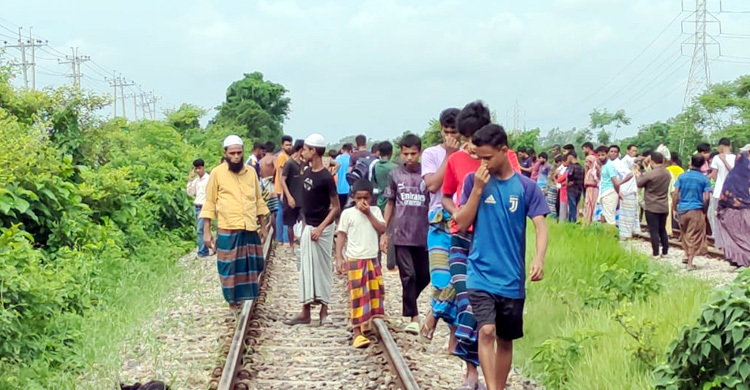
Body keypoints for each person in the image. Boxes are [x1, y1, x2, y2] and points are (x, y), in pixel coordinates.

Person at [454, 124, 548, 390]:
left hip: (511, 278)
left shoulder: (526, 188)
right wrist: (477, 191)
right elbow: (461, 222)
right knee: (486, 331)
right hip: (480, 273)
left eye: (487, 157)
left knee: (505, 340)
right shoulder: (475, 182)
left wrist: (539, 258)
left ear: (503, 151)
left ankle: (497, 385)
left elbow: (540, 226)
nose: (482, 163)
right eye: (478, 158)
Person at [440, 100, 491, 389]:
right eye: (466, 138)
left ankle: (488, 374)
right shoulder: (456, 160)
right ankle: (471, 372)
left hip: (491, 243)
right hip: (461, 238)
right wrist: (455, 212)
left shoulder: (503, 158)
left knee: (486, 313)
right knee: (466, 302)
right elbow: (447, 194)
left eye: (474, 137)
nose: (470, 145)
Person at [199, 135, 269, 309]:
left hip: (249, 227)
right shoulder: (217, 173)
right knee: (229, 268)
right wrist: (206, 231)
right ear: (225, 153)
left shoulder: (251, 172)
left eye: (239, 152)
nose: (236, 156)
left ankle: (247, 298)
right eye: (233, 153)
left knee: (254, 264)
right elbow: (209, 203)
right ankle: (232, 302)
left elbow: (258, 200)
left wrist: (264, 226)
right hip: (227, 228)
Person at [284, 134, 341, 326]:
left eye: (306, 149)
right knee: (306, 271)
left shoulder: (325, 177)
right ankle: (305, 311)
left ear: (314, 151)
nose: (303, 152)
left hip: (320, 230)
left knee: (323, 271)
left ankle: (324, 312)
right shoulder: (307, 172)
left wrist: (321, 228)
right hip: (308, 227)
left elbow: (335, 207)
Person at [420, 107, 462, 344]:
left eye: (454, 133)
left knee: (460, 280)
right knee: (441, 279)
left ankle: (442, 324)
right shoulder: (431, 154)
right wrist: (450, 156)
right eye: (446, 132)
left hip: (463, 222)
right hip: (438, 223)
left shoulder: (471, 155)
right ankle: (436, 315)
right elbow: (433, 185)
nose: (450, 137)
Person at [382, 134, 430, 334]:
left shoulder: (427, 174)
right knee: (408, 275)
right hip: (401, 233)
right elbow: (390, 203)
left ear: (419, 153)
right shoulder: (395, 175)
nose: (409, 158)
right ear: (400, 153)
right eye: (405, 154)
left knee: (425, 275)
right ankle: (413, 317)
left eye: (413, 153)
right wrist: (384, 232)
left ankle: (409, 301)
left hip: (424, 233)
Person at [335, 179, 387, 348]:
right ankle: (357, 331)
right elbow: (341, 235)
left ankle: (368, 323)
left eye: (366, 198)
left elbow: (381, 229)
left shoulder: (376, 211)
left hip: (372, 258)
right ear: (353, 198)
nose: (362, 202)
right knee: (357, 295)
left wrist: (368, 214)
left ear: (371, 198)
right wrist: (339, 258)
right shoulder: (348, 214)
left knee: (374, 292)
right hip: (355, 259)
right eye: (359, 198)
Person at [673, 155, 712, 271]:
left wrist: (674, 208)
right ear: (702, 164)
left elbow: (675, 194)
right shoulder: (704, 179)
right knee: (693, 236)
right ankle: (690, 263)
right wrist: (705, 209)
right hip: (696, 209)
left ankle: (686, 255)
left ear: (691, 163)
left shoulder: (682, 176)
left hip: (682, 209)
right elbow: (706, 197)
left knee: (685, 234)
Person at [716, 146, 750, 268]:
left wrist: (719, 208)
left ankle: (738, 261)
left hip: (732, 211)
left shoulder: (732, 175)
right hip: (748, 211)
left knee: (734, 237)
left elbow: (725, 194)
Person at [635, 152, 671, 258]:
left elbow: (639, 184)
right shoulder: (667, 173)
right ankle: (665, 251)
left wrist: (638, 175)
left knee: (653, 230)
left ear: (652, 161)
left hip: (652, 205)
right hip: (663, 205)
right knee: (662, 229)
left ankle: (655, 253)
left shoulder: (650, 174)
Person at [373, 141, 399, 271]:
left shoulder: (376, 166)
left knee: (378, 231)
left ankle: (377, 261)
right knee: (390, 231)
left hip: (379, 201)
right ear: (391, 152)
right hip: (392, 201)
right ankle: (391, 262)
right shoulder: (395, 167)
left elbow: (375, 183)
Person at [709, 138, 736, 249]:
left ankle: (716, 237)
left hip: (718, 191)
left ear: (721, 146)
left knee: (712, 214)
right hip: (731, 192)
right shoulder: (736, 158)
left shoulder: (717, 157)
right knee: (728, 216)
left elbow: (714, 174)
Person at [279, 140, 305, 254]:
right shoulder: (289, 163)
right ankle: (291, 246)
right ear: (300, 150)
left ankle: (303, 245)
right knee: (290, 223)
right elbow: (282, 180)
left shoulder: (303, 164)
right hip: (291, 198)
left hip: (302, 198)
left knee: (305, 221)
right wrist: (288, 197)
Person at [187, 158, 211, 257]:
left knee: (200, 230)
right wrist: (190, 181)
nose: (198, 171)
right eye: (196, 169)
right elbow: (190, 193)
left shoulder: (209, 179)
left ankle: (203, 251)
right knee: (201, 229)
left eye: (199, 168)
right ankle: (209, 247)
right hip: (197, 206)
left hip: (204, 206)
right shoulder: (196, 180)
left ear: (203, 167)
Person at [615, 144, 639, 240]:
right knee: (626, 213)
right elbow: (633, 160)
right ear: (627, 151)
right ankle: (624, 233)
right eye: (633, 151)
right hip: (626, 190)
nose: (634, 153)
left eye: (636, 151)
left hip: (631, 189)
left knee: (632, 212)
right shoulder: (625, 160)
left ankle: (630, 231)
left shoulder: (631, 163)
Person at [274, 135, 294, 242]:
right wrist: (282, 191)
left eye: (290, 145)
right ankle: (282, 238)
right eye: (287, 145)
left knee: (283, 212)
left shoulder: (287, 156)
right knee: (283, 212)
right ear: (282, 145)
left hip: (285, 189)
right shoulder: (282, 157)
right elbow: (281, 174)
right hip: (281, 189)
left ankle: (282, 238)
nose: (289, 147)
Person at [599, 145, 620, 225]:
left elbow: (615, 181)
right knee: (604, 216)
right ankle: (605, 235)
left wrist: (618, 193)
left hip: (610, 193)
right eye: (599, 155)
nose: (600, 157)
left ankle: (612, 236)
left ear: (607, 154)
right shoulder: (604, 165)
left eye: (602, 155)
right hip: (605, 193)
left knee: (610, 218)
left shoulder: (609, 165)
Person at [583, 144, 602, 224]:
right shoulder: (589, 171)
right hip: (588, 189)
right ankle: (586, 221)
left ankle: (590, 222)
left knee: (591, 205)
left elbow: (598, 179)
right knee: (587, 205)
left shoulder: (594, 170)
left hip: (593, 189)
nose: (586, 163)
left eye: (588, 162)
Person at [565, 151, 584, 223]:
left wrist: (567, 182)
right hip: (579, 189)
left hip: (572, 189)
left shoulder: (572, 167)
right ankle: (573, 220)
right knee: (575, 206)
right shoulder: (581, 167)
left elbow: (570, 175)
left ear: (570, 156)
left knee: (572, 207)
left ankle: (572, 221)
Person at [545, 155, 563, 220]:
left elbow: (552, 177)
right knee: (552, 202)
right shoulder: (558, 169)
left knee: (552, 202)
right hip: (554, 186)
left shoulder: (556, 169)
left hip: (553, 186)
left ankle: (553, 215)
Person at [335, 143, 353, 209]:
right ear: (350, 151)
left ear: (342, 150)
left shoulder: (337, 159)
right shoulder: (351, 159)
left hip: (339, 188)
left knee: (339, 208)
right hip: (349, 189)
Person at [556, 156, 569, 222]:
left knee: (563, 207)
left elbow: (559, 179)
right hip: (564, 190)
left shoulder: (567, 170)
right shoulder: (566, 169)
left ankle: (562, 222)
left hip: (565, 191)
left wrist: (560, 178)